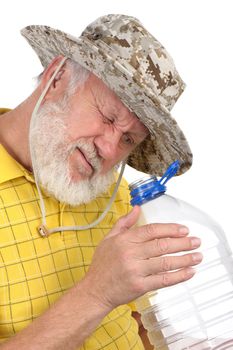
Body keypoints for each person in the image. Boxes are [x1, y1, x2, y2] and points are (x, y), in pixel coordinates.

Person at [0, 14, 203, 350]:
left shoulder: (114, 196)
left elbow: (139, 326)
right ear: (56, 78)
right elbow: (105, 295)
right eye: (108, 117)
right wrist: (97, 293)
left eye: (127, 140)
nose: (108, 149)